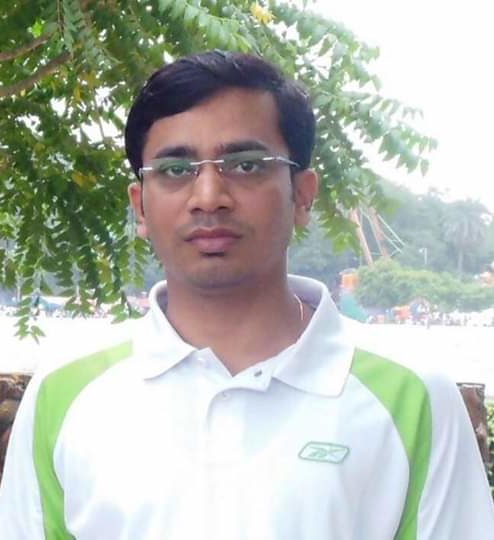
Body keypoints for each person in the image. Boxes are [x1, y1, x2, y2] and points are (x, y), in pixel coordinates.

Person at [1, 50, 493, 539]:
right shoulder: (65, 394)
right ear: (141, 207)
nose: (208, 197)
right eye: (175, 170)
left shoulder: (412, 397)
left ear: (303, 195)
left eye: (246, 164)